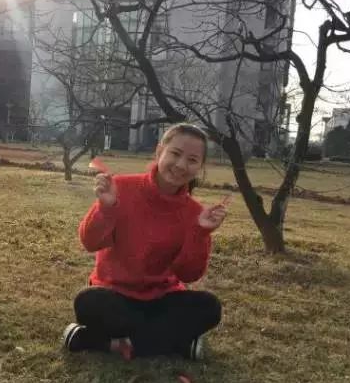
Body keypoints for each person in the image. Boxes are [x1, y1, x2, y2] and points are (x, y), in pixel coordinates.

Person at [62, 123, 228, 361]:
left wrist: (200, 234)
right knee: (88, 302)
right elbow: (90, 243)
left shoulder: (195, 213)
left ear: (200, 167)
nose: (181, 165)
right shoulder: (121, 188)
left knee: (209, 308)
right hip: (114, 294)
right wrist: (106, 208)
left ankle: (102, 342)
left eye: (192, 160)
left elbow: (189, 275)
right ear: (159, 152)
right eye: (175, 154)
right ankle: (172, 344)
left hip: (162, 297)